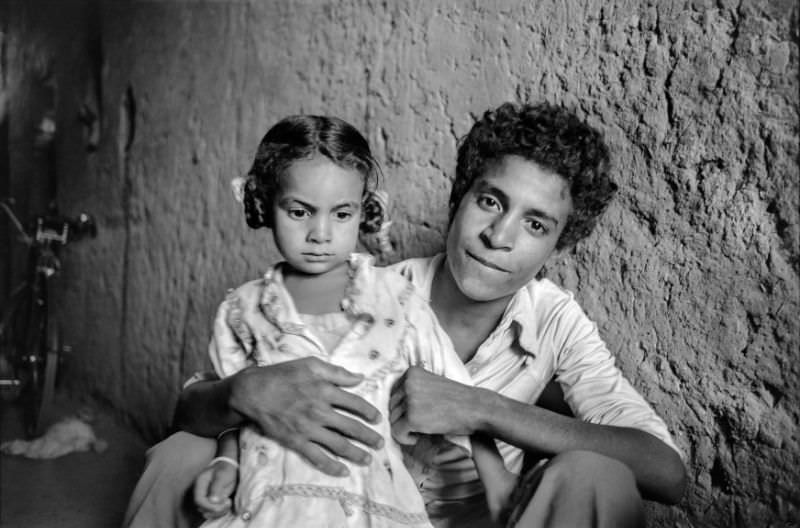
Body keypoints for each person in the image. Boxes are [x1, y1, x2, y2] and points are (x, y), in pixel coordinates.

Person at [124, 102, 687, 528]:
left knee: (599, 477)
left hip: (475, 517)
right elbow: (187, 409)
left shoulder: (556, 321)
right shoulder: (372, 292)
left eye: (536, 224)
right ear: (459, 197)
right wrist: (240, 393)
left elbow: (666, 472)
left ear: (558, 245)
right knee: (181, 456)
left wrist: (480, 410)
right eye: (490, 201)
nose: (499, 236)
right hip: (352, 510)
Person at [184, 115, 514, 528]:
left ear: (365, 212)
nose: (320, 233)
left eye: (341, 214)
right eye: (300, 211)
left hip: (375, 507)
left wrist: (496, 476)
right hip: (271, 503)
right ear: (266, 204)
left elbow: (461, 397)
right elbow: (234, 404)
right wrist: (226, 462)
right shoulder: (242, 310)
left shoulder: (397, 300)